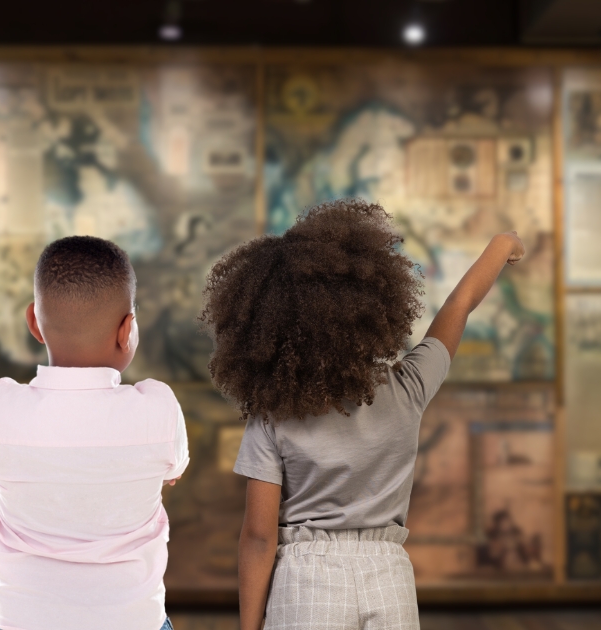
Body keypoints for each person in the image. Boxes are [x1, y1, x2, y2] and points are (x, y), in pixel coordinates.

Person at [200, 198, 524, 630]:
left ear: (270, 325)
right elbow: (459, 306)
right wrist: (501, 246)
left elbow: (259, 538)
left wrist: (248, 627)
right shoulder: (408, 386)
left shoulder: (273, 415)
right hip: (388, 577)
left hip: (306, 582)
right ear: (373, 307)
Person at [0, 236, 188, 630]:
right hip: (132, 622)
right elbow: (172, 471)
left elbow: (13, 455)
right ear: (127, 330)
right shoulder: (157, 406)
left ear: (34, 323)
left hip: (21, 622)